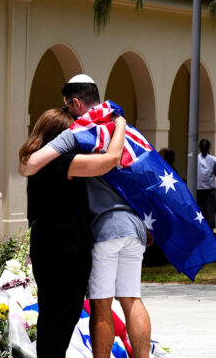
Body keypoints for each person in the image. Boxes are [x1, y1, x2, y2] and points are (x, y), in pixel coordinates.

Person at [20, 74, 151, 358]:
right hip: (79, 248)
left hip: (63, 246)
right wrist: (120, 125)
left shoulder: (46, 165)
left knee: (67, 315)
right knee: (129, 300)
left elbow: (28, 167)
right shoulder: (66, 163)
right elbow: (110, 161)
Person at [197, 138, 216, 233]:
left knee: (201, 212)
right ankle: (209, 231)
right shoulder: (214, 159)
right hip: (208, 189)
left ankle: (203, 230)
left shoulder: (195, 158)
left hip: (201, 189)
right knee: (210, 212)